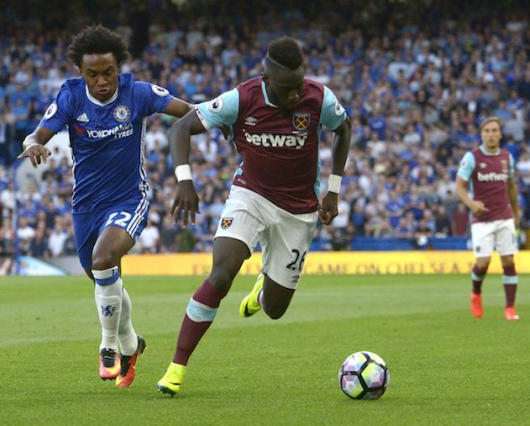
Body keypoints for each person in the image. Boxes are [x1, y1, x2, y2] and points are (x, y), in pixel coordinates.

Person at [156, 37, 351, 396]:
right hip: (251, 195)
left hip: (299, 210)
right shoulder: (240, 99)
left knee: (275, 310)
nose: (295, 96)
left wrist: (334, 189)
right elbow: (181, 127)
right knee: (221, 273)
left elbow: (343, 129)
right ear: (266, 76)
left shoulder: (318, 97)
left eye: (298, 86)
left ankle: (264, 286)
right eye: (287, 89)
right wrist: (185, 181)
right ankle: (176, 368)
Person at [19, 25, 195, 387]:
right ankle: (132, 342)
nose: (102, 81)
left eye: (108, 73)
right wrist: (34, 144)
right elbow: (37, 133)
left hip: (130, 197)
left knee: (103, 259)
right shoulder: (70, 97)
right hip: (86, 204)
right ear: (80, 74)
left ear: (119, 69)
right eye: (93, 74)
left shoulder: (139, 93)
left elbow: (190, 113)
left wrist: (226, 117)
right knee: (102, 275)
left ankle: (109, 345)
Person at [455, 117, 521, 321]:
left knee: (508, 259)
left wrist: (516, 210)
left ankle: (510, 308)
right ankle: (476, 293)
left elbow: (510, 186)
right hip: (481, 218)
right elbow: (459, 187)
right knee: (483, 262)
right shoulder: (472, 157)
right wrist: (471, 204)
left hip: (504, 216)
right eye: (487, 131)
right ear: (481, 134)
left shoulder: (506, 157)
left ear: (500, 134)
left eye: (494, 131)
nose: (491, 134)